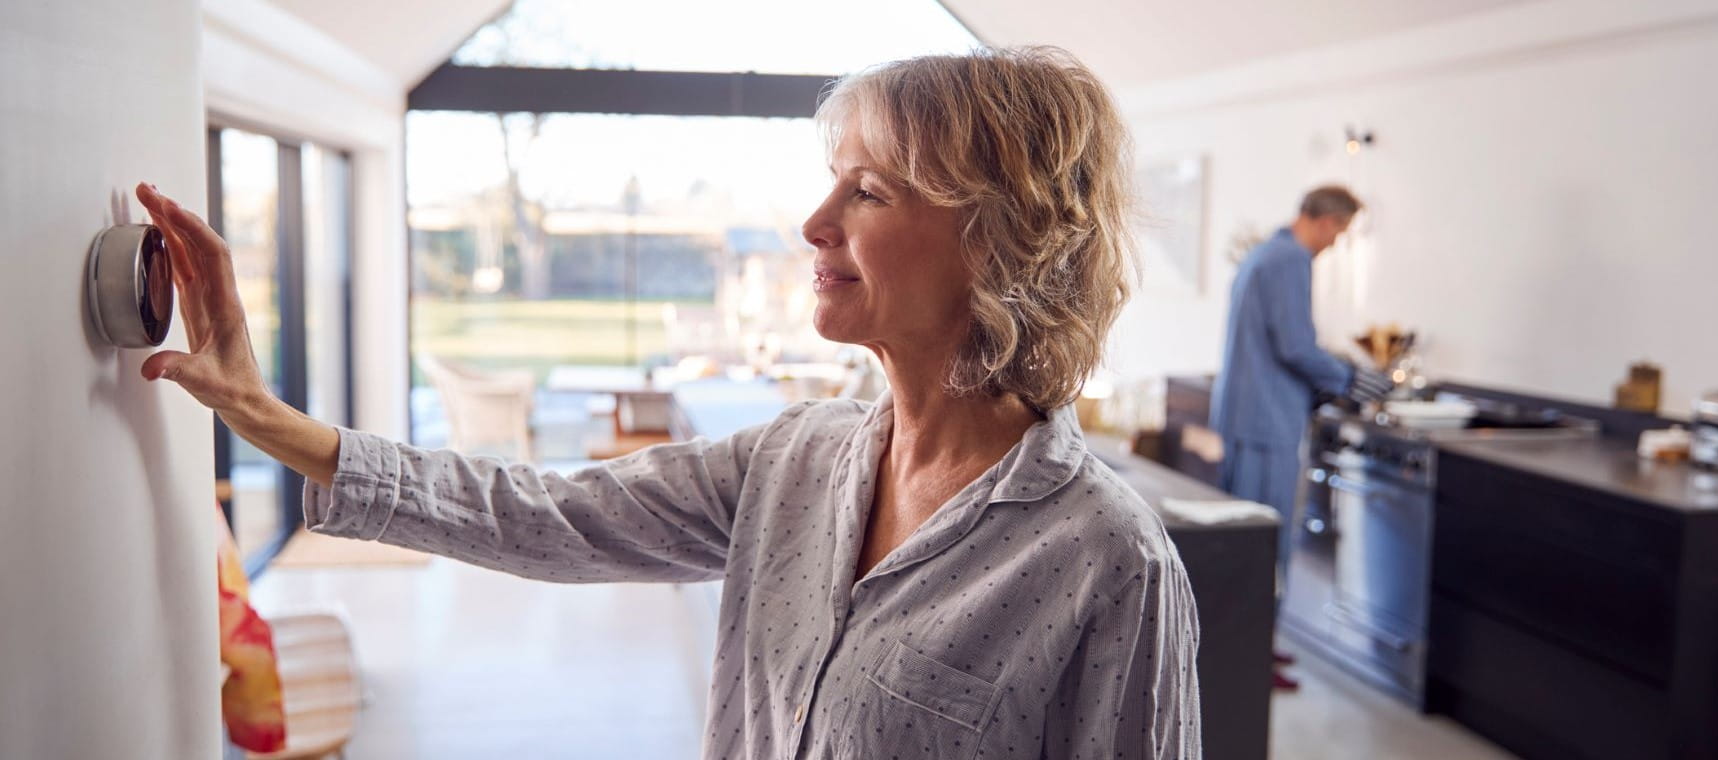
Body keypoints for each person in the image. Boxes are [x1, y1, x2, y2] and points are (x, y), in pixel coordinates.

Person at [137, 46, 1200, 759]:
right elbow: (542, 514)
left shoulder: (1107, 564)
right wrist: (270, 419)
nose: (812, 221)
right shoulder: (796, 459)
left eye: (867, 192)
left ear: (997, 241)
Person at [1209, 185, 1391, 690]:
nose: (1337, 245)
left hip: (1246, 417)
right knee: (1264, 545)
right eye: (1341, 233)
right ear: (1329, 222)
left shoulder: (1263, 255)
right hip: (1266, 423)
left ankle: (1252, 649)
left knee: (1248, 540)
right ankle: (1247, 661)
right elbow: (1294, 345)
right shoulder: (1290, 260)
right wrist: (1351, 378)